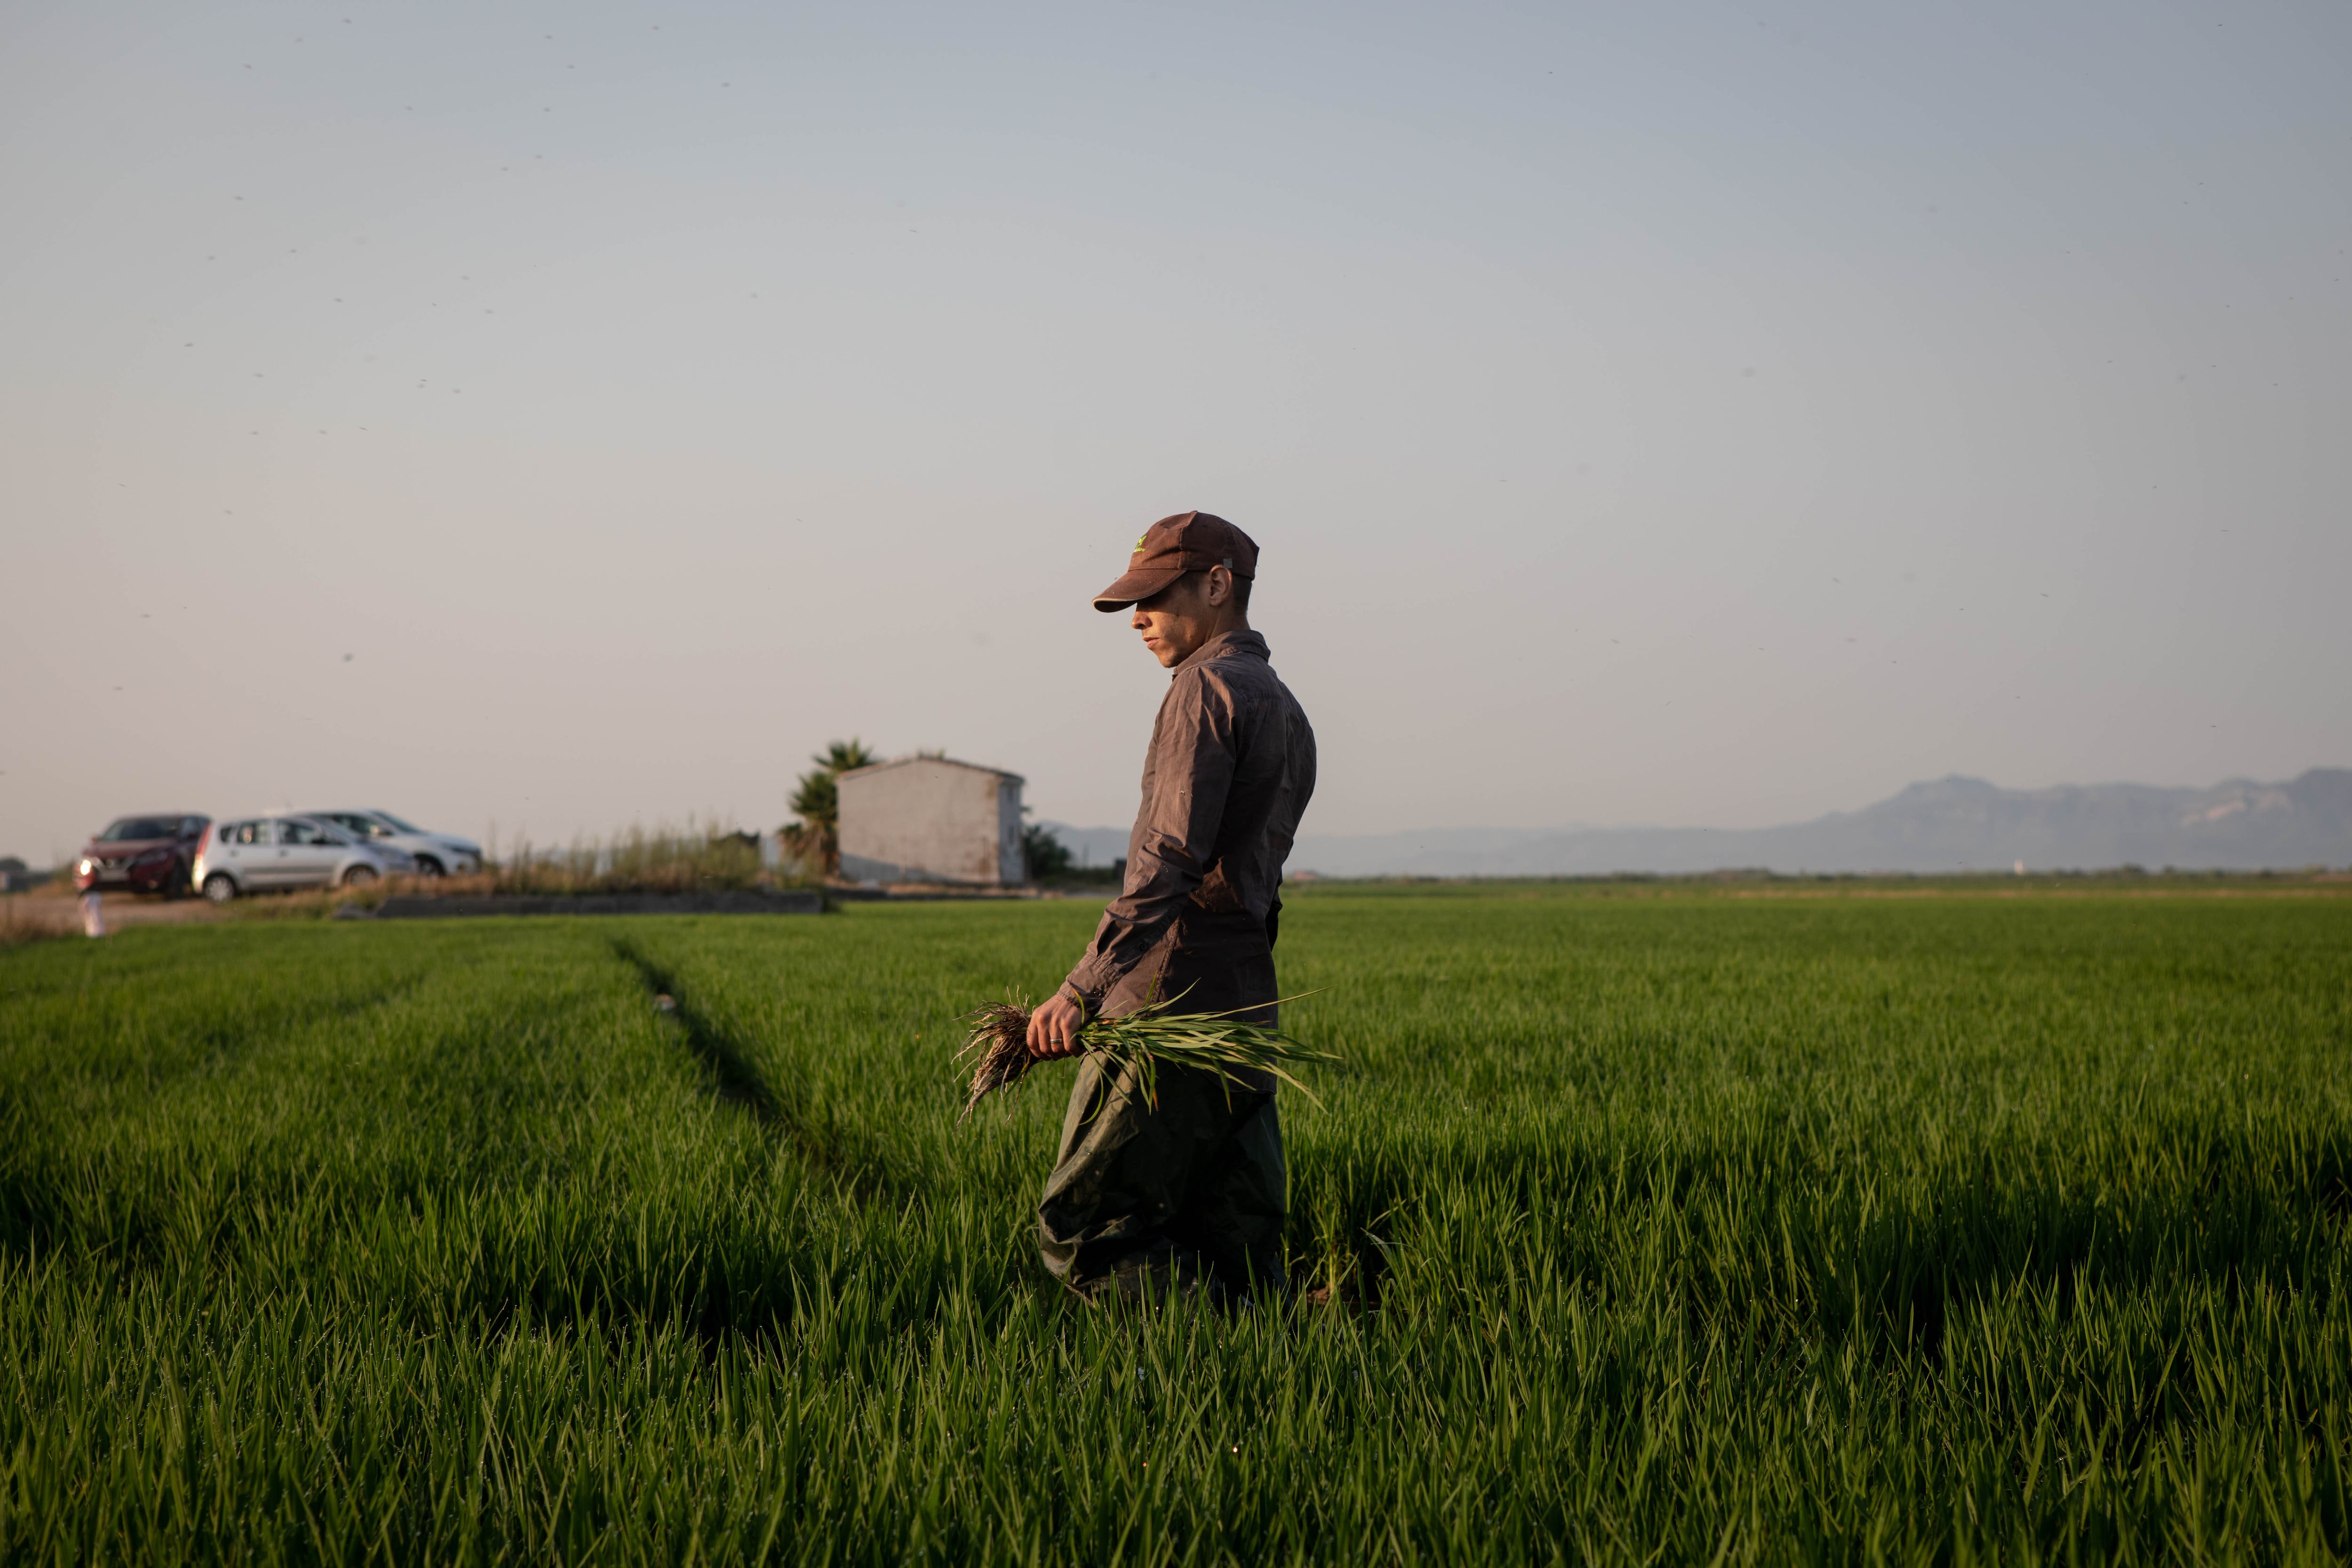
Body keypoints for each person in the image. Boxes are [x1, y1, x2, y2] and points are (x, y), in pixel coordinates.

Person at [1027, 510, 1318, 1302]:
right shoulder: (1285, 707)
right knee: (1239, 1250)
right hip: (1243, 1016)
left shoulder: (1205, 687)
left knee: (1082, 1231)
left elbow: (1168, 859)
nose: (1139, 619)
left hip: (1164, 1012)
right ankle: (1283, 1364)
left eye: (1155, 596)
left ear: (1218, 585)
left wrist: (1083, 987)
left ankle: (1209, 1362)